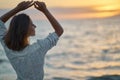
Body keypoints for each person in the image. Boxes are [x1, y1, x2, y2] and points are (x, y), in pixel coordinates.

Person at [0, 1, 64, 80]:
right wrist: (45, 10)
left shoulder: (7, 46)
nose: (35, 26)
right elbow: (59, 31)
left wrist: (17, 9)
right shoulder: (39, 48)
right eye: (32, 24)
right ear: (25, 29)